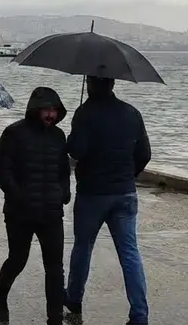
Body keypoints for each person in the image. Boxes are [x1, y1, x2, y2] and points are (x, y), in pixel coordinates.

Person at [64, 76, 151, 324]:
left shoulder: (85, 113)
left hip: (92, 193)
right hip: (125, 192)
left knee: (83, 247)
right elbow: (145, 154)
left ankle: (74, 298)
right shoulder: (132, 113)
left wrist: (74, 136)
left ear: (90, 83)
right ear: (112, 83)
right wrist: (127, 175)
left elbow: (76, 150)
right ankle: (139, 313)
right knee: (129, 253)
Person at [0, 87, 70, 325]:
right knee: (18, 259)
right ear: (35, 110)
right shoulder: (14, 133)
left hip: (51, 212)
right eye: (47, 110)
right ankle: (0, 292)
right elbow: (1, 170)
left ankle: (54, 317)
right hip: (20, 213)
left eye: (54, 110)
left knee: (55, 268)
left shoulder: (59, 136)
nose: (51, 115)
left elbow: (63, 170)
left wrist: (64, 192)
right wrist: (18, 195)